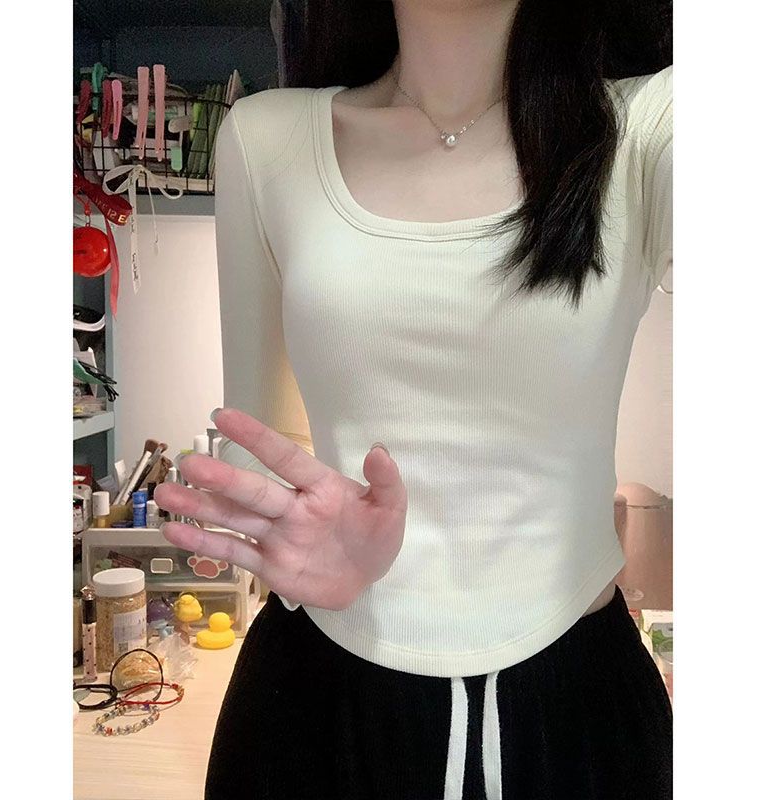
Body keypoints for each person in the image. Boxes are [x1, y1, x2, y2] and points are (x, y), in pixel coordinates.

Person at [153, 1, 673, 797]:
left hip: (572, 717)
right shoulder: (266, 139)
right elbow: (262, 452)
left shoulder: (649, 125)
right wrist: (300, 542)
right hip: (316, 704)